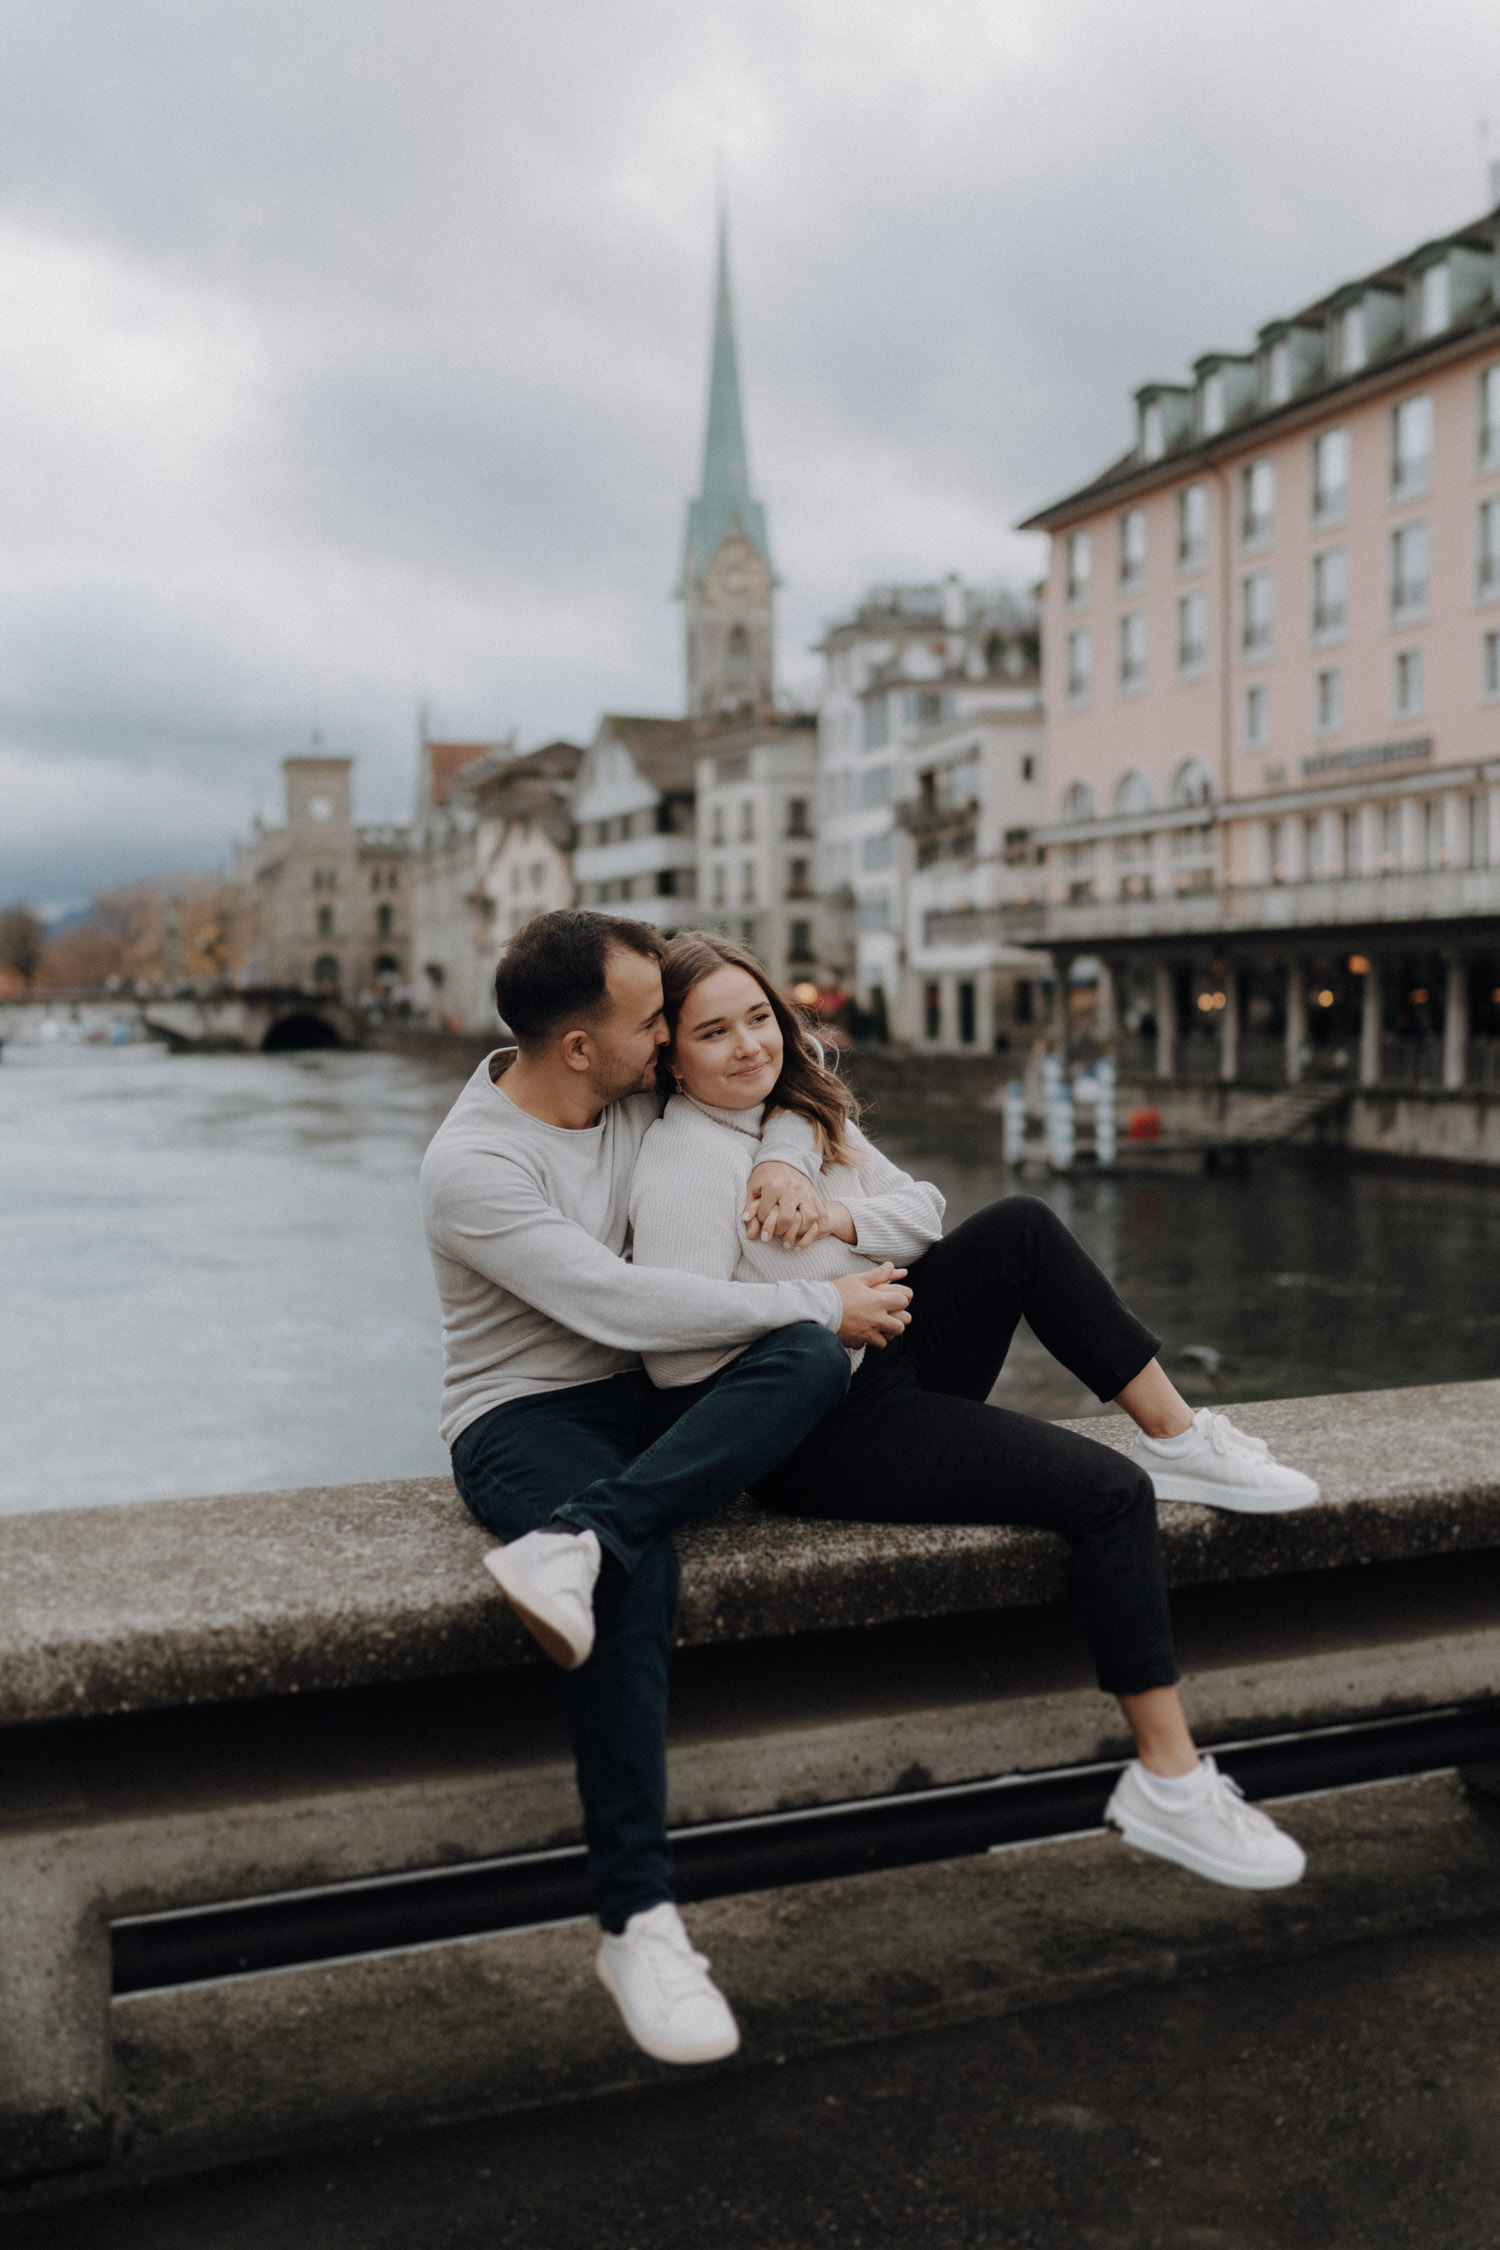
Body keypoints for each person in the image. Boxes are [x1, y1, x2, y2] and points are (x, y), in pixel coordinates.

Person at [625, 932, 1322, 2027]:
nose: (749, 1043)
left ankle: (1181, 1433)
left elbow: (926, 1210)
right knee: (1106, 1498)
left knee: (1020, 1230)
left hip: (893, 1358)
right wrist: (822, 1306)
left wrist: (832, 1206)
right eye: (713, 1031)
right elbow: (672, 1355)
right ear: (667, 1056)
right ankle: (1170, 1781)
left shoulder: (798, 1118)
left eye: (758, 1016)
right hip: (818, 1433)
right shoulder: (676, 1168)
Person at [419, 910, 914, 2069]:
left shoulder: (629, 1088)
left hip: (653, 1394)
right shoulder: (474, 1166)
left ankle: (584, 1538)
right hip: (524, 1414)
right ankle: (639, 1921)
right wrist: (818, 1303)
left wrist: (793, 1161)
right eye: (653, 1024)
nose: (671, 1040)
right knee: (646, 1573)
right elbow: (616, 1303)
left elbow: (772, 1079)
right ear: (581, 1047)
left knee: (801, 1362)